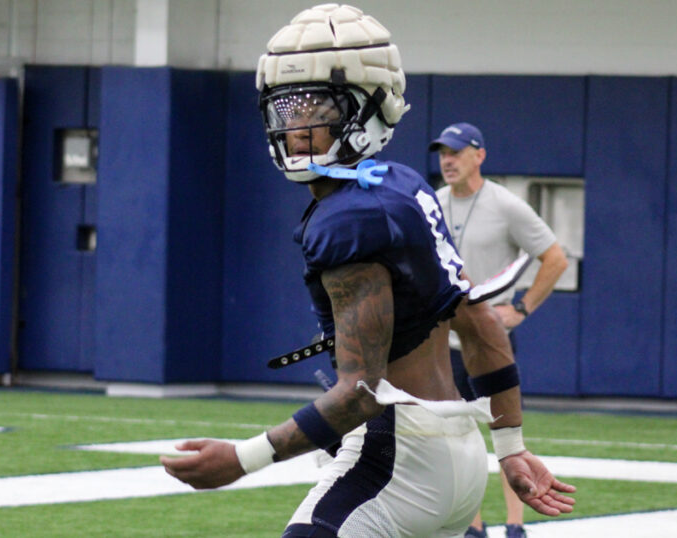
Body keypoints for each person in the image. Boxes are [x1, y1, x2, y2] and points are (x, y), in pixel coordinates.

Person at [160, 4, 575, 536]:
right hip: (460, 455)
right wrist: (511, 447)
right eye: (285, 110)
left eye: (318, 109)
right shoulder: (405, 185)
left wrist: (242, 458)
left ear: (371, 109)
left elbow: (362, 390)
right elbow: (478, 322)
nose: (298, 129)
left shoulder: (347, 218)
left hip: (394, 454)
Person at [430, 123, 569, 538]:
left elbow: (555, 258)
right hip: (443, 343)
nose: (447, 161)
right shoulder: (432, 204)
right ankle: (472, 526)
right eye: (442, 153)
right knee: (454, 437)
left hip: (489, 340)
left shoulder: (505, 205)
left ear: (480, 155)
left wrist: (521, 309)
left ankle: (515, 525)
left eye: (455, 152)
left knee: (505, 431)